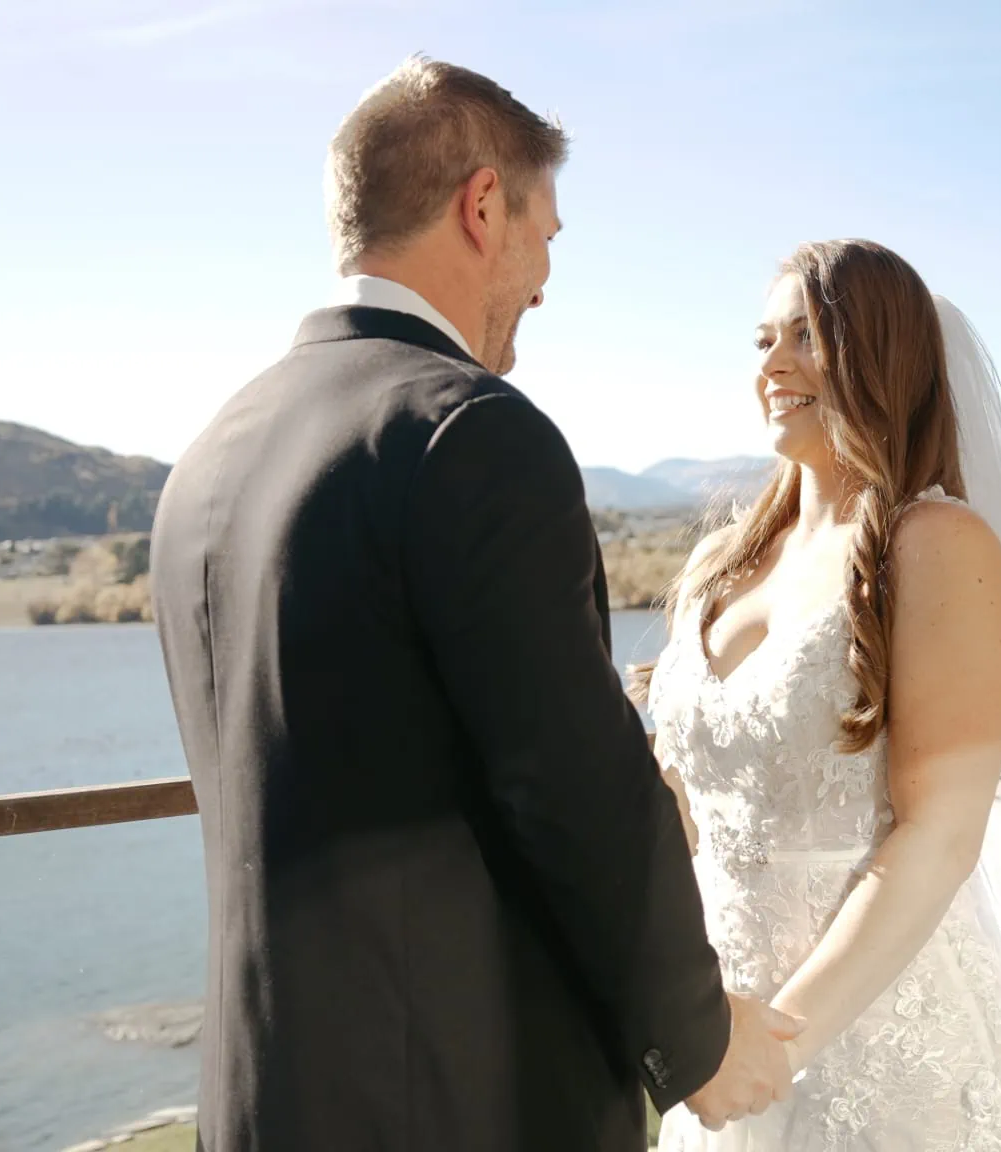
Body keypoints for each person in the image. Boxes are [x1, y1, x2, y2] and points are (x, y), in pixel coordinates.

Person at [150, 56, 797, 1151]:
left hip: (264, 1106)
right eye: (546, 232)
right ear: (483, 206)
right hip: (463, 1107)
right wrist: (696, 1037)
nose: (544, 280)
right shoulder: (471, 432)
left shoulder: (207, 459)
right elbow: (573, 782)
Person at [642, 239, 1001, 1150]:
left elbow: (942, 835)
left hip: (882, 1053)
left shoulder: (935, 544)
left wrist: (777, 1050)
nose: (773, 364)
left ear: (882, 353)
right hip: (722, 1036)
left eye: (806, 335)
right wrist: (686, 1014)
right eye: (763, 340)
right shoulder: (720, 562)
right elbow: (676, 815)